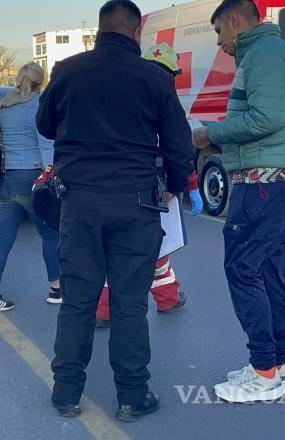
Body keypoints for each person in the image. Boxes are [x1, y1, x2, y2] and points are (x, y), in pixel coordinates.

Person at [37, 0, 194, 422]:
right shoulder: (153, 78)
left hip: (81, 202)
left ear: (99, 29)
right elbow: (179, 146)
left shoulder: (68, 71)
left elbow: (45, 126)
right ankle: (132, 396)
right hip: (136, 204)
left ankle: (66, 393)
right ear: (137, 31)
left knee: (77, 302)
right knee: (128, 304)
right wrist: (178, 188)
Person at [192, 0, 285, 403]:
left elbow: (266, 118)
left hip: (262, 178)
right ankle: (275, 363)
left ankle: (264, 371)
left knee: (242, 268)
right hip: (269, 178)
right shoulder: (266, 52)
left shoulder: (265, 53)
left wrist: (211, 133)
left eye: (219, 33)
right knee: (270, 269)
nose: (220, 44)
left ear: (234, 21)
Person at [94, 44, 203, 328]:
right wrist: (188, 185)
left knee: (115, 247)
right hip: (158, 188)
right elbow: (179, 149)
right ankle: (165, 299)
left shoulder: (122, 98)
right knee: (157, 244)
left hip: (120, 185)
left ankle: (105, 309)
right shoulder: (167, 98)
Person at [0, 62, 60, 314]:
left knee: (3, 239)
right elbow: (45, 144)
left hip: (4, 180)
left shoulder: (4, 105)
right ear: (41, 83)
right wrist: (50, 173)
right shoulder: (36, 107)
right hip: (31, 178)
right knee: (49, 234)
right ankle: (56, 289)